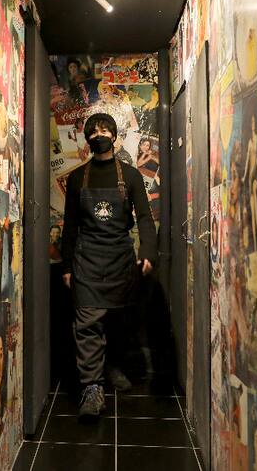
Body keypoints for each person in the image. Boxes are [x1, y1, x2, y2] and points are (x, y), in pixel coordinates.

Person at [61, 113, 157, 418]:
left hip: (119, 257)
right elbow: (70, 226)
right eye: (93, 132)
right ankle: (92, 388)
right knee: (87, 323)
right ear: (88, 140)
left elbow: (144, 217)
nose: (99, 135)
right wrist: (66, 266)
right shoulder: (78, 178)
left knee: (118, 319)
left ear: (114, 137)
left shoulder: (130, 176)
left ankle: (112, 365)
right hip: (87, 259)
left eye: (104, 130)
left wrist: (148, 252)